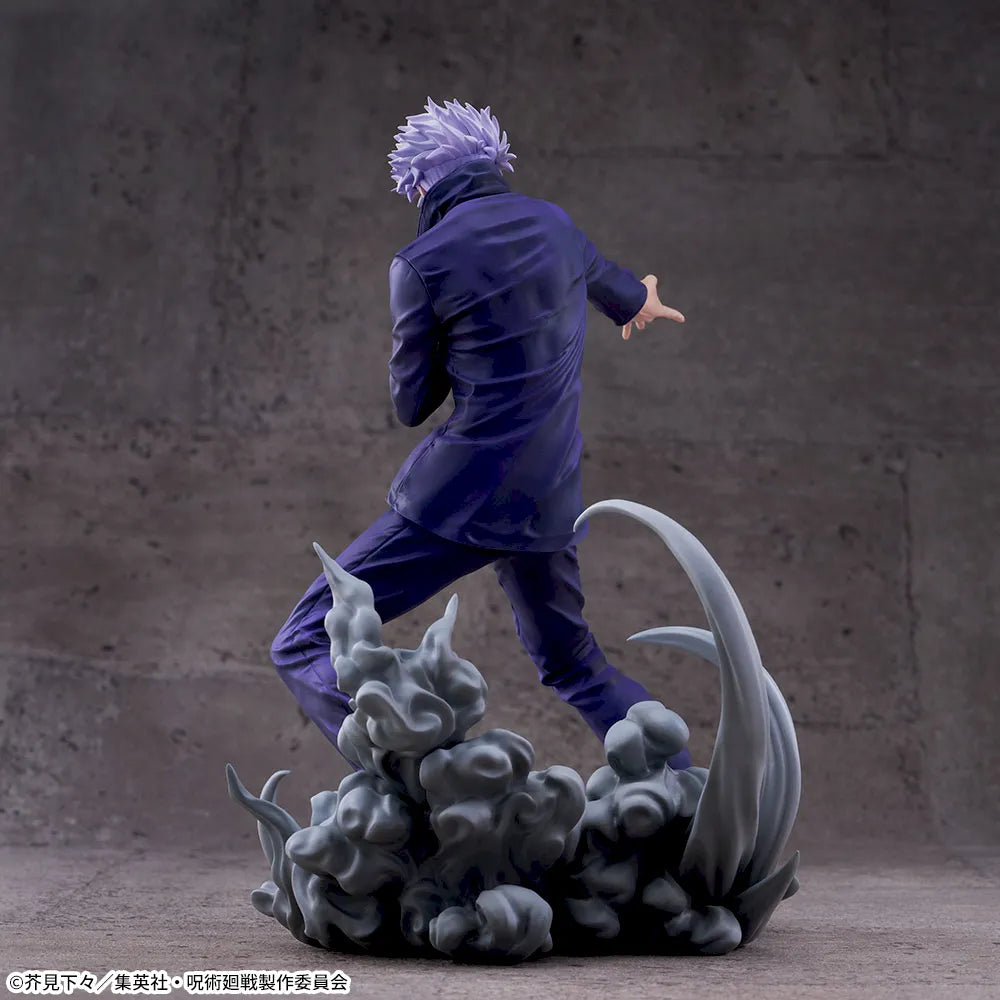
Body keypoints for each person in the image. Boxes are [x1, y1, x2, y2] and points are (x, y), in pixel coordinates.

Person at [269, 98, 690, 769]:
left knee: (301, 642)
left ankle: (406, 779)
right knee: (575, 664)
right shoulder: (555, 225)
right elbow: (620, 290)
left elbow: (412, 403)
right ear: (492, 162)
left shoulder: (421, 261)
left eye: (411, 189)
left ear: (423, 182)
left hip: (459, 499)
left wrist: (438, 332)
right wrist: (643, 301)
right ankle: (681, 782)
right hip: (547, 500)